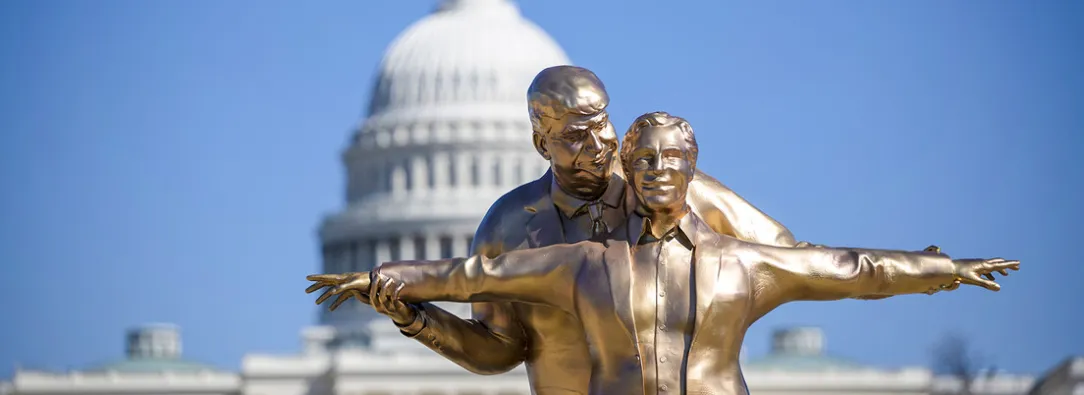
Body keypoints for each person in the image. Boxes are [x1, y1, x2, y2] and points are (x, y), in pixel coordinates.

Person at [308, 111, 1018, 395]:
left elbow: (851, 269)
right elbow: (477, 273)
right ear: (628, 168)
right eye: (642, 161)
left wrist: (944, 269)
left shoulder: (744, 262)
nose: (655, 172)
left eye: (670, 161)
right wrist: (386, 280)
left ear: (693, 171)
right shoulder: (588, 262)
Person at [311, 66, 807, 394]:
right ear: (539, 141)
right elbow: (499, 349)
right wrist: (416, 318)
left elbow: (785, 257)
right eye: (574, 135)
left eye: (602, 123)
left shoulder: (674, 192)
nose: (598, 145)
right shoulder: (508, 224)